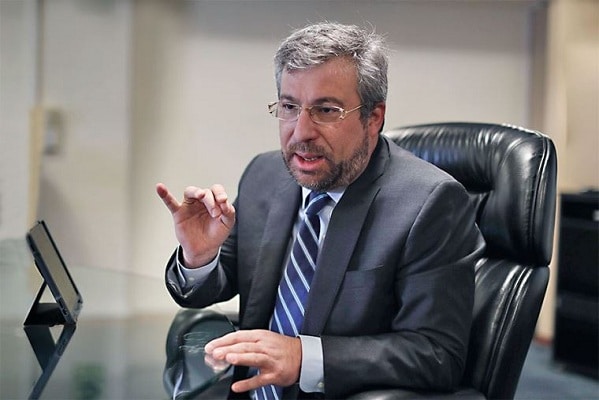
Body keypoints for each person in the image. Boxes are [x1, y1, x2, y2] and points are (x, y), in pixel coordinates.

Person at [156, 21, 485, 399]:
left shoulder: (430, 202)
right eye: (289, 107)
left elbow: (436, 355)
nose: (301, 132)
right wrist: (199, 257)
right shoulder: (265, 174)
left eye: (326, 110)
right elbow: (209, 289)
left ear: (373, 118)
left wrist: (305, 358)